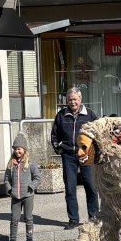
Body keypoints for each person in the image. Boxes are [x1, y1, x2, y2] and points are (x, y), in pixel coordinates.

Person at [51, 88, 99, 229]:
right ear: (67, 101)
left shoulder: (90, 115)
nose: (73, 102)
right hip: (68, 156)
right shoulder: (61, 115)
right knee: (70, 188)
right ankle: (73, 219)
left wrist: (94, 152)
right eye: (70, 99)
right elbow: (54, 135)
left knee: (90, 186)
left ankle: (94, 217)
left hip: (86, 155)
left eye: (75, 99)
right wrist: (59, 149)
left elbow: (98, 135)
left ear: (80, 100)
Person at [4, 133, 39, 241]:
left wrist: (31, 186)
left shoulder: (31, 163)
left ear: (24, 149)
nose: (17, 151)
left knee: (28, 218)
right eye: (15, 149)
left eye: (19, 148)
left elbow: (37, 178)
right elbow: (6, 179)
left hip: (28, 196)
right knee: (14, 219)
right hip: (15, 197)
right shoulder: (11, 164)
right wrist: (9, 189)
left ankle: (29, 240)